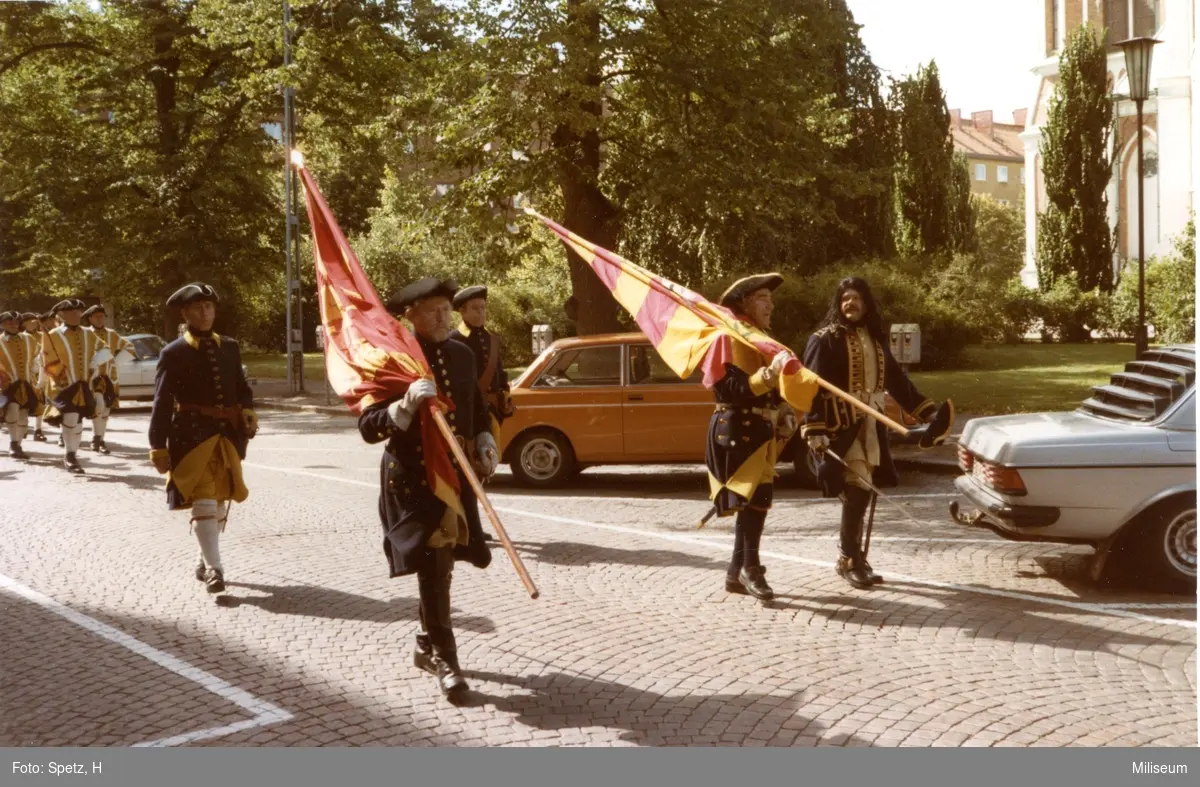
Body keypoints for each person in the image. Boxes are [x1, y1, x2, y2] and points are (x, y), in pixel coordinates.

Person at [357, 276, 498, 700]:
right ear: (410, 316)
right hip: (414, 477)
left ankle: (424, 639)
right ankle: (446, 658)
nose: (442, 317)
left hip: (455, 473)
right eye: (432, 311)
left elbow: (475, 405)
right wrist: (402, 406)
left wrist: (486, 435)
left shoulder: (460, 353)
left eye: (445, 309)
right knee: (434, 563)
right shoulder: (391, 359)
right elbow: (368, 426)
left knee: (445, 563)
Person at [801, 277, 941, 590]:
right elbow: (810, 387)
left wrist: (928, 412)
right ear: (838, 304)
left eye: (857, 298)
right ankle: (849, 558)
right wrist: (814, 428)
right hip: (840, 428)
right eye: (845, 298)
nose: (851, 303)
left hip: (871, 427)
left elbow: (897, 383)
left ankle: (854, 558)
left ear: (867, 304)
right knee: (858, 489)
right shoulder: (824, 339)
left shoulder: (876, 341)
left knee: (863, 491)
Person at [148, 283, 257, 594]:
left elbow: (241, 387)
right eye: (197, 308)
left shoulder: (231, 347)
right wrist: (157, 444)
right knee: (205, 497)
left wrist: (248, 410)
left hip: (227, 435)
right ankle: (215, 569)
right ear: (185, 313)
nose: (205, 312)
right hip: (191, 436)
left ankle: (202, 558)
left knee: (220, 499)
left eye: (209, 306)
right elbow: (162, 401)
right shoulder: (174, 352)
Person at [702, 273, 797, 602]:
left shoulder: (759, 338)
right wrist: (769, 376)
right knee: (756, 500)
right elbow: (729, 389)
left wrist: (784, 410)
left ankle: (735, 571)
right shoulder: (728, 337)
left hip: (758, 429)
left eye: (771, 298)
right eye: (762, 297)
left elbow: (768, 391)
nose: (770, 303)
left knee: (755, 501)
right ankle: (750, 568)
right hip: (736, 427)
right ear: (742, 303)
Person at [41, 299, 109, 473]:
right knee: (70, 416)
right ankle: (70, 455)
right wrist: (58, 376)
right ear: (62, 315)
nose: (77, 315)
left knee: (77, 418)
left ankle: (72, 454)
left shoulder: (88, 333)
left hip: (83, 383)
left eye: (79, 312)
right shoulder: (53, 334)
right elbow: (47, 359)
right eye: (71, 312)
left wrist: (95, 367)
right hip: (61, 384)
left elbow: (104, 350)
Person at [81, 305, 134, 454]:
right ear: (90, 318)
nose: (100, 319)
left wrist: (115, 362)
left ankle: (100, 439)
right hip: (92, 377)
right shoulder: (85, 334)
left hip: (110, 377)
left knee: (105, 411)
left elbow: (129, 347)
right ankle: (95, 439)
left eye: (102, 316)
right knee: (99, 406)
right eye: (96, 316)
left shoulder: (112, 334)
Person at [0, 311, 39, 460]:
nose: (14, 325)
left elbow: (38, 356)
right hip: (7, 385)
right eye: (10, 322)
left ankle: (19, 445)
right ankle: (13, 443)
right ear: (3, 324)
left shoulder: (29, 339)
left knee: (24, 416)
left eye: (16, 322)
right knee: (13, 411)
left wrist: (37, 369)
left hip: (27, 383)